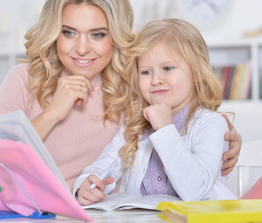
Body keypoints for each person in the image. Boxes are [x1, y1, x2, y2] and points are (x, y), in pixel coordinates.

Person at [0, 0, 241, 192]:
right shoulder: (24, 80)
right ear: (54, 33)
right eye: (69, 32)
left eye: (98, 34)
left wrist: (224, 136)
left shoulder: (133, 84)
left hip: (102, 217)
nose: (82, 48)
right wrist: (52, 113)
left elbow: (184, 113)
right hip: (26, 214)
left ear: (116, 36)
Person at [73, 18, 237, 205]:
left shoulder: (210, 123)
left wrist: (165, 128)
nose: (156, 79)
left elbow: (194, 191)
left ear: (196, 73)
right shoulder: (136, 126)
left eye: (167, 68)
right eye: (146, 72)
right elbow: (103, 165)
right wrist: (84, 187)